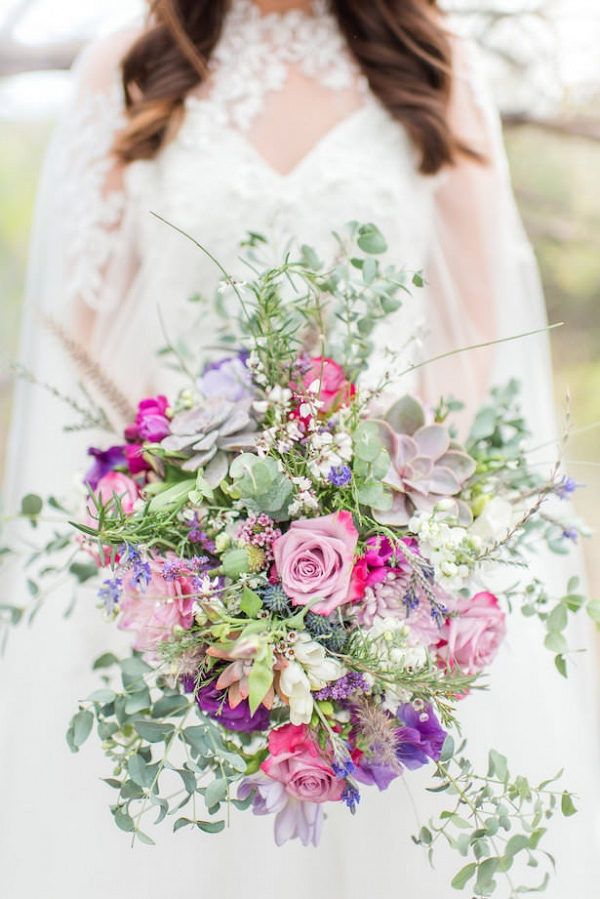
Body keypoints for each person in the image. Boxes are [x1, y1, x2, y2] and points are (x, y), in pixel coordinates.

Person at [1, 1, 598, 897]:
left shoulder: (435, 67)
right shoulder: (126, 67)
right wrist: (184, 551)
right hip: (174, 581)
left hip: (398, 585)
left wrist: (401, 550)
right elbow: (85, 370)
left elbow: (485, 356)